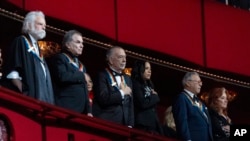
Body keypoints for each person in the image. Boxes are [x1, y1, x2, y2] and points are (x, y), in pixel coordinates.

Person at [1, 11, 54, 104]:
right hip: (28, 99)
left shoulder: (38, 49)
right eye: (40, 24)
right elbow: (13, 70)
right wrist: (23, 90)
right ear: (29, 25)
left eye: (44, 25)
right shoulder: (21, 41)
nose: (44, 27)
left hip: (43, 100)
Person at [48, 30, 92, 116]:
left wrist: (89, 111)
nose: (82, 46)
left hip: (81, 112)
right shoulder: (60, 58)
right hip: (65, 108)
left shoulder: (82, 66)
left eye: (82, 43)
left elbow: (85, 90)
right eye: (78, 42)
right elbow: (62, 76)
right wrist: (81, 75)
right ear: (68, 45)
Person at [92, 46, 134, 127]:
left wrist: (130, 125)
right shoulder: (102, 75)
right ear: (111, 60)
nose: (124, 60)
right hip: (106, 122)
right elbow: (103, 98)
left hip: (124, 125)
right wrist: (122, 93)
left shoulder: (127, 79)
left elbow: (130, 104)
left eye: (125, 57)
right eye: (120, 57)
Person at [172, 72, 213, 141]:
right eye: (198, 82)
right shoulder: (182, 98)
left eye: (201, 82)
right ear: (188, 83)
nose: (201, 84)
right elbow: (182, 122)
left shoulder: (201, 103)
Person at [131, 60, 163, 134]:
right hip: (142, 124)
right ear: (140, 69)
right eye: (146, 68)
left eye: (150, 69)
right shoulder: (135, 84)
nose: (149, 71)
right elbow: (143, 103)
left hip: (153, 125)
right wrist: (155, 97)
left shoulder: (150, 85)